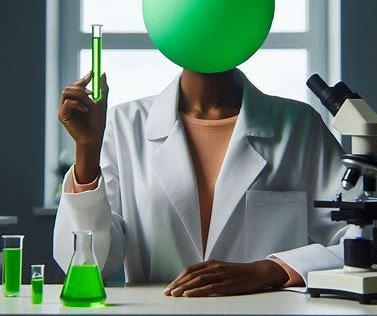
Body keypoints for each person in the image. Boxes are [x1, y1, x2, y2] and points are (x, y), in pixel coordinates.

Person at [54, 67, 358, 297]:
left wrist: (271, 270)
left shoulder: (300, 125)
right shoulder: (124, 125)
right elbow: (85, 263)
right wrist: (87, 152)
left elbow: (364, 244)